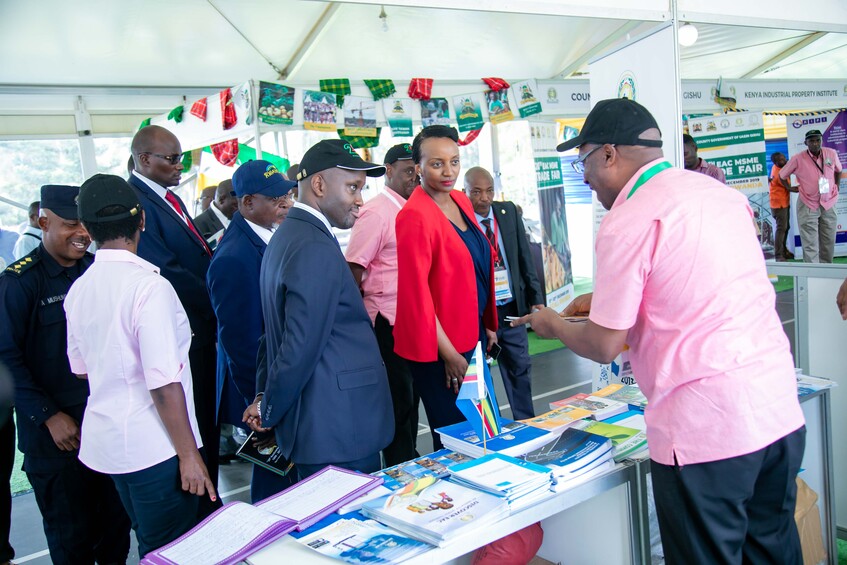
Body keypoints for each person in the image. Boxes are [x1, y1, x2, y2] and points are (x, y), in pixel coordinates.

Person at [517, 98, 805, 564]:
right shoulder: (719, 196)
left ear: (609, 154)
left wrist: (552, 324)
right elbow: (698, 292)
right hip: (776, 411)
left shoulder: (627, 220)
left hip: (707, 433)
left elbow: (604, 343)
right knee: (772, 551)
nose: (584, 177)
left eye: (583, 161)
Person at [65, 174, 215, 558]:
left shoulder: (81, 287)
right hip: (157, 447)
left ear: (88, 228)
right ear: (142, 221)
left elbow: (80, 368)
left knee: (148, 538)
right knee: (171, 549)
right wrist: (189, 455)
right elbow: (164, 384)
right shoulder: (149, 287)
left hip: (112, 442)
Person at [0, 185, 131, 565]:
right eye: (69, 224)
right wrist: (47, 416)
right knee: (71, 540)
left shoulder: (96, 270)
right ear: (43, 221)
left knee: (115, 532)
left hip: (104, 426)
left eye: (85, 225)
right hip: (55, 440)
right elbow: (5, 357)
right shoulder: (20, 282)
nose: (82, 234)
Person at [253, 140, 393, 479]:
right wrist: (269, 407)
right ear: (318, 185)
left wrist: (264, 396)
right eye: (352, 187)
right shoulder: (312, 245)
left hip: (327, 424)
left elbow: (274, 334)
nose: (360, 200)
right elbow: (298, 346)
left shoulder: (289, 236)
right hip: (338, 427)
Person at [129, 125, 220, 504]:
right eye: (171, 158)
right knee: (194, 430)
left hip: (203, 326)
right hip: (187, 329)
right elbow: (168, 271)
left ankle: (210, 505)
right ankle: (200, 513)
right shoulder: (139, 203)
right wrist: (218, 298)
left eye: (181, 157)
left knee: (207, 428)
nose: (179, 165)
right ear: (144, 159)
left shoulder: (168, 197)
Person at [394, 125, 498, 450]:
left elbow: (474, 264)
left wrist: (487, 325)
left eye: (454, 161)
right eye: (437, 163)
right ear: (418, 168)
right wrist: (450, 354)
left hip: (471, 335)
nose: (448, 171)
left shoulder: (460, 199)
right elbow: (417, 296)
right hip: (441, 348)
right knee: (459, 440)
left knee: (484, 429)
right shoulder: (414, 216)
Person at [207, 160, 296, 501]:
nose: (285, 203)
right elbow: (240, 343)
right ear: (247, 203)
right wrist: (259, 401)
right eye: (275, 199)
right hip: (265, 389)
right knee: (274, 476)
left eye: (286, 195)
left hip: (280, 378)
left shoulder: (269, 236)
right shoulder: (234, 258)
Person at [346, 143, 420, 466]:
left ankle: (408, 460)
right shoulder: (376, 212)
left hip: (412, 321)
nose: (413, 177)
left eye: (416, 171)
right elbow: (353, 270)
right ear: (388, 171)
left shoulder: (416, 207)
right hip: (386, 325)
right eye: (406, 171)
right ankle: (398, 469)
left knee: (412, 402)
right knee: (398, 405)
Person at [464, 166, 543, 420]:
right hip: (480, 315)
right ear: (464, 193)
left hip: (511, 311)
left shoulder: (507, 213)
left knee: (520, 368)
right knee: (481, 378)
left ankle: (527, 423)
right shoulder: (460, 222)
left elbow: (525, 259)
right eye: (476, 192)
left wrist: (536, 300)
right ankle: (492, 430)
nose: (484, 198)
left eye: (489, 191)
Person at [779, 129, 843, 263]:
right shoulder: (798, 158)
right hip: (808, 203)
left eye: (817, 140)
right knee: (810, 242)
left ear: (821, 141)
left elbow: (839, 170)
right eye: (811, 141)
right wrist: (789, 188)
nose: (815, 143)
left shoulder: (831, 153)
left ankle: (826, 271)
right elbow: (782, 175)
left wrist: (836, 185)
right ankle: (812, 276)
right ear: (806, 143)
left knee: (828, 239)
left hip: (829, 202)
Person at [194, 181, 238, 248]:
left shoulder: (241, 216)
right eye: (235, 205)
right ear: (221, 200)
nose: (240, 209)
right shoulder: (198, 225)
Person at [769, 152, 796, 261]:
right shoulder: (780, 173)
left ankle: (783, 251)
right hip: (779, 205)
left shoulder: (777, 167)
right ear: (775, 162)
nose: (784, 160)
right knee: (781, 229)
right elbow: (790, 187)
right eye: (781, 160)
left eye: (784, 158)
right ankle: (778, 255)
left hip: (782, 202)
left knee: (785, 227)